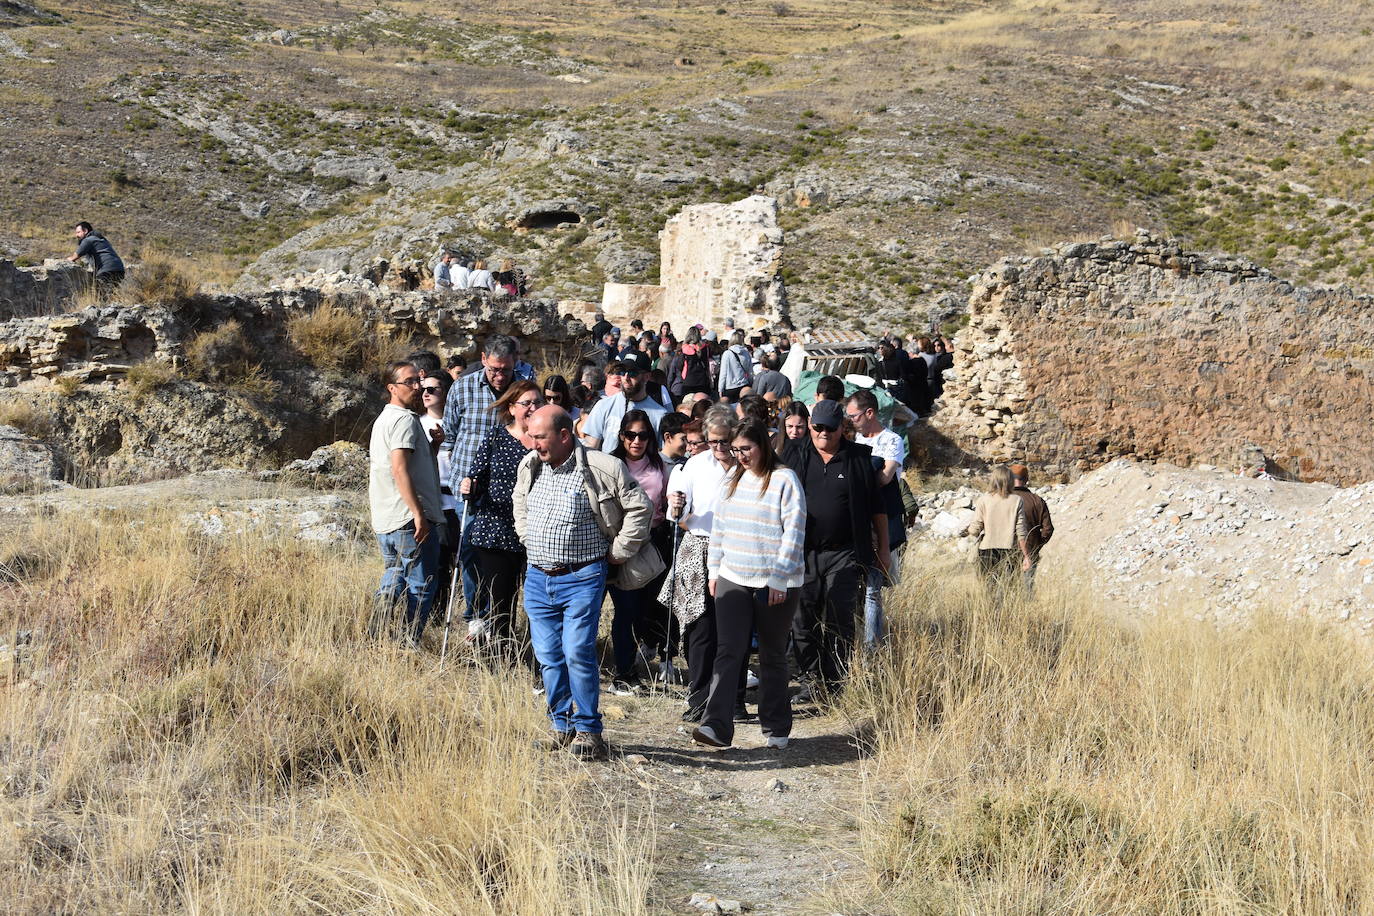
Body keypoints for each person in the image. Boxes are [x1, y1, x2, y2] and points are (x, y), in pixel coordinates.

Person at [512, 407, 652, 761]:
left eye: (540, 436)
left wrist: (620, 551)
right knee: (548, 656)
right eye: (531, 435)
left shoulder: (603, 466)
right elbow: (519, 501)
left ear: (563, 434)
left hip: (582, 576)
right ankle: (561, 726)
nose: (533, 443)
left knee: (577, 651)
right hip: (538, 577)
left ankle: (589, 730)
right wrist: (528, 536)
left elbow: (640, 508)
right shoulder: (530, 464)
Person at [692, 420, 806, 750]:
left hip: (776, 582)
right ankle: (715, 726)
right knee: (728, 651)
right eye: (735, 449)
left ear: (763, 446)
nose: (740, 456)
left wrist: (779, 578)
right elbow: (720, 528)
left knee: (771, 654)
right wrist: (714, 571)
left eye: (746, 449)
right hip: (733, 576)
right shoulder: (731, 479)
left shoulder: (785, 480)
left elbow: (794, 533)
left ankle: (776, 727)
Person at [781, 399, 888, 700]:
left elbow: (876, 509)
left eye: (830, 428)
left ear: (842, 427)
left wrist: (883, 551)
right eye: (818, 427)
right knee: (802, 618)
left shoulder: (858, 459)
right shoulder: (795, 456)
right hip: (802, 551)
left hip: (845, 552)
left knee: (840, 617)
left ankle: (836, 682)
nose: (823, 433)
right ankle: (811, 681)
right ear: (811, 426)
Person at [665, 408, 740, 722]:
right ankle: (698, 698)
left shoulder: (748, 464)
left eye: (724, 441)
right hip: (699, 547)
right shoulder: (694, 465)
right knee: (700, 627)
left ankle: (732, 699)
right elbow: (677, 516)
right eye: (713, 442)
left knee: (733, 628)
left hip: (737, 550)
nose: (719, 448)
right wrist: (676, 507)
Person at [442, 334, 519, 635]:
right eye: (495, 369)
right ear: (484, 359)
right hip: (468, 486)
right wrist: (459, 477)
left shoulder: (520, 389)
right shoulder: (462, 387)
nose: (500, 376)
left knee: (501, 556)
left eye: (506, 370)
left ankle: (497, 617)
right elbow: (450, 435)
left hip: (506, 488)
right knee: (469, 551)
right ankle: (474, 612)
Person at [461, 381, 544, 657]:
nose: (533, 408)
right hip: (496, 530)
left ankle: (538, 658)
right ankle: (501, 657)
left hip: (537, 531)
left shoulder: (548, 440)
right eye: (526, 403)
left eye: (537, 402)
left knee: (537, 602)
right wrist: (469, 485)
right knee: (500, 601)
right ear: (511, 408)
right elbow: (477, 475)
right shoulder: (497, 437)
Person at [369, 361, 446, 645]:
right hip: (407, 519)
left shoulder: (385, 419)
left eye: (420, 382)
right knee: (423, 585)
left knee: (395, 574)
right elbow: (399, 469)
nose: (417, 387)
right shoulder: (403, 420)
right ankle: (407, 640)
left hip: (386, 517)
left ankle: (379, 628)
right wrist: (418, 515)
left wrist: (434, 447)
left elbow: (410, 466)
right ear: (392, 388)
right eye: (410, 382)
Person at [607, 409, 673, 694]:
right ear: (622, 436)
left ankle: (642, 657)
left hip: (652, 542)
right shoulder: (611, 464)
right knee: (625, 610)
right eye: (631, 435)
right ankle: (623, 672)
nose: (636, 441)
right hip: (619, 544)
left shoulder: (659, 466)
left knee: (649, 609)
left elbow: (668, 501)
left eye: (643, 435)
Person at [845, 390, 906, 650]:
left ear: (869, 413)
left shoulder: (892, 440)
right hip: (853, 518)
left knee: (873, 585)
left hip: (879, 518)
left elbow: (884, 477)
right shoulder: (852, 439)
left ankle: (872, 644)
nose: (850, 422)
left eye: (854, 416)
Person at [418, 372, 460, 624]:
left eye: (433, 389)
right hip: (430, 502)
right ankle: (431, 616)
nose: (426, 393)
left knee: (452, 563)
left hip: (454, 503)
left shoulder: (455, 424)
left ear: (445, 393)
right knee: (434, 562)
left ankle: (443, 613)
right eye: (424, 388)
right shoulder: (416, 423)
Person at [580, 358, 670, 451]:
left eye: (632, 373)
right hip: (608, 464)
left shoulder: (660, 415)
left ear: (646, 377)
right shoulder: (603, 405)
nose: (626, 378)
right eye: (622, 372)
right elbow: (591, 446)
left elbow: (662, 454)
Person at [968, 466, 1031, 595]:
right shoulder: (1017, 500)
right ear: (1010, 480)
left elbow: (975, 530)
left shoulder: (983, 500)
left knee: (988, 590)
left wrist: (969, 530)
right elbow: (1021, 532)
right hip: (1010, 551)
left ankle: (989, 614)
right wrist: (1026, 556)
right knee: (1009, 589)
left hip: (987, 551)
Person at [1010, 463, 1054, 593]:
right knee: (1027, 589)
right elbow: (1048, 529)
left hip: (1005, 550)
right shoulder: (1037, 501)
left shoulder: (1004, 500)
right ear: (1026, 479)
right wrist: (1036, 545)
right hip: (1030, 551)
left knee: (1006, 589)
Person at [67, 222, 125, 301]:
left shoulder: (88, 240)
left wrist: (67, 260)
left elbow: (75, 256)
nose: (76, 235)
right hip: (119, 269)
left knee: (100, 296)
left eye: (78, 232)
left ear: (85, 231)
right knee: (112, 294)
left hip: (106, 269)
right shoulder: (101, 239)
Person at [668, 327, 713, 401]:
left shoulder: (685, 348)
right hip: (702, 380)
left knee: (687, 403)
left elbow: (679, 365)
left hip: (688, 381)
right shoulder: (704, 347)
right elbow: (706, 364)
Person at [718, 330, 754, 402]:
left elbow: (723, 373)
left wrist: (720, 389)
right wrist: (750, 383)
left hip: (730, 386)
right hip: (744, 384)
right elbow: (750, 371)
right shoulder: (746, 352)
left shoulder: (727, 353)